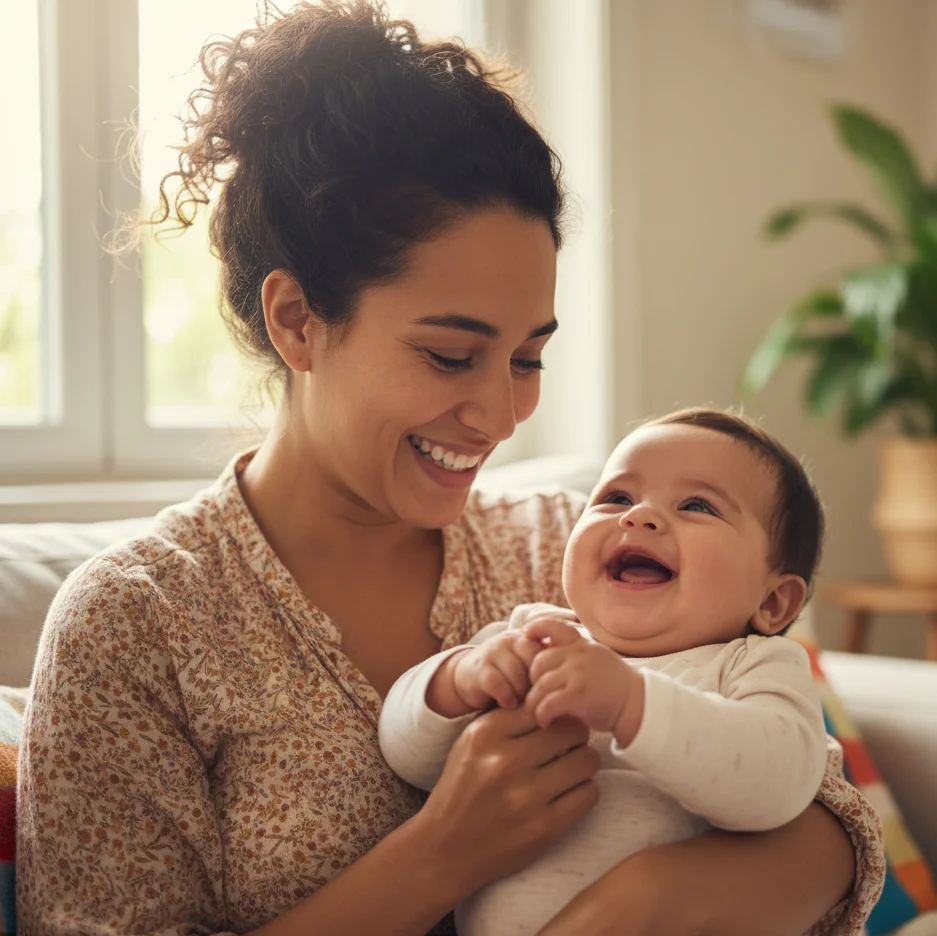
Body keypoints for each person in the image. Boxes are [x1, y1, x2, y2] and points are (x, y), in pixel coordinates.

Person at [16, 3, 883, 935]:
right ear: (298, 320)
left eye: (528, 357)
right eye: (448, 354)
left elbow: (827, 821)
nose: (502, 414)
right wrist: (440, 857)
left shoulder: (572, 546)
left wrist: (646, 902)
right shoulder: (137, 625)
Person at [379, 408, 832, 936]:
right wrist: (457, 680)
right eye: (617, 497)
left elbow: (779, 783)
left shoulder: (751, 665)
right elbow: (407, 758)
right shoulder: (532, 635)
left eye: (696, 505)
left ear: (774, 602)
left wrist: (630, 704)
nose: (638, 517)